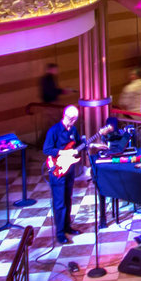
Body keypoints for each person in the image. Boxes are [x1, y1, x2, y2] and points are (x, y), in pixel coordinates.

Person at [42, 103, 83, 243]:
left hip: (69, 169)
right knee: (59, 203)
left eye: (75, 119)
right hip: (57, 170)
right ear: (65, 116)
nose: (72, 121)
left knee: (68, 199)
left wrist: (84, 145)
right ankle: (60, 233)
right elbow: (47, 150)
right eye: (71, 118)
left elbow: (77, 145)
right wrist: (62, 152)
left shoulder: (73, 130)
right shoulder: (53, 131)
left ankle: (67, 227)